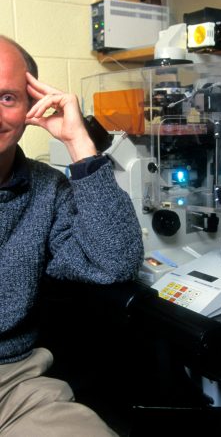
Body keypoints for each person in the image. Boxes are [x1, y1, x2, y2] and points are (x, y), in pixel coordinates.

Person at [0, 35, 144, 436]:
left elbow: (115, 262)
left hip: (12, 386)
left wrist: (79, 143)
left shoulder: (46, 190)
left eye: (6, 98)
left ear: (31, 106)